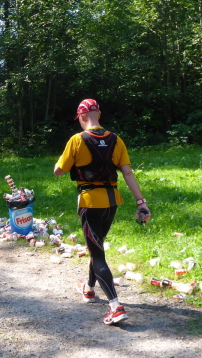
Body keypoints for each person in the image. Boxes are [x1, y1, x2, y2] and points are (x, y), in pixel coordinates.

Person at [54, 99, 150, 326]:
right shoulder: (116, 139)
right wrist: (141, 203)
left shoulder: (77, 140)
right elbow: (127, 173)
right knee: (96, 245)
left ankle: (116, 307)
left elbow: (58, 171)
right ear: (99, 114)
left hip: (89, 202)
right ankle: (89, 289)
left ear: (81, 117)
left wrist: (66, 158)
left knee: (97, 254)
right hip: (112, 201)